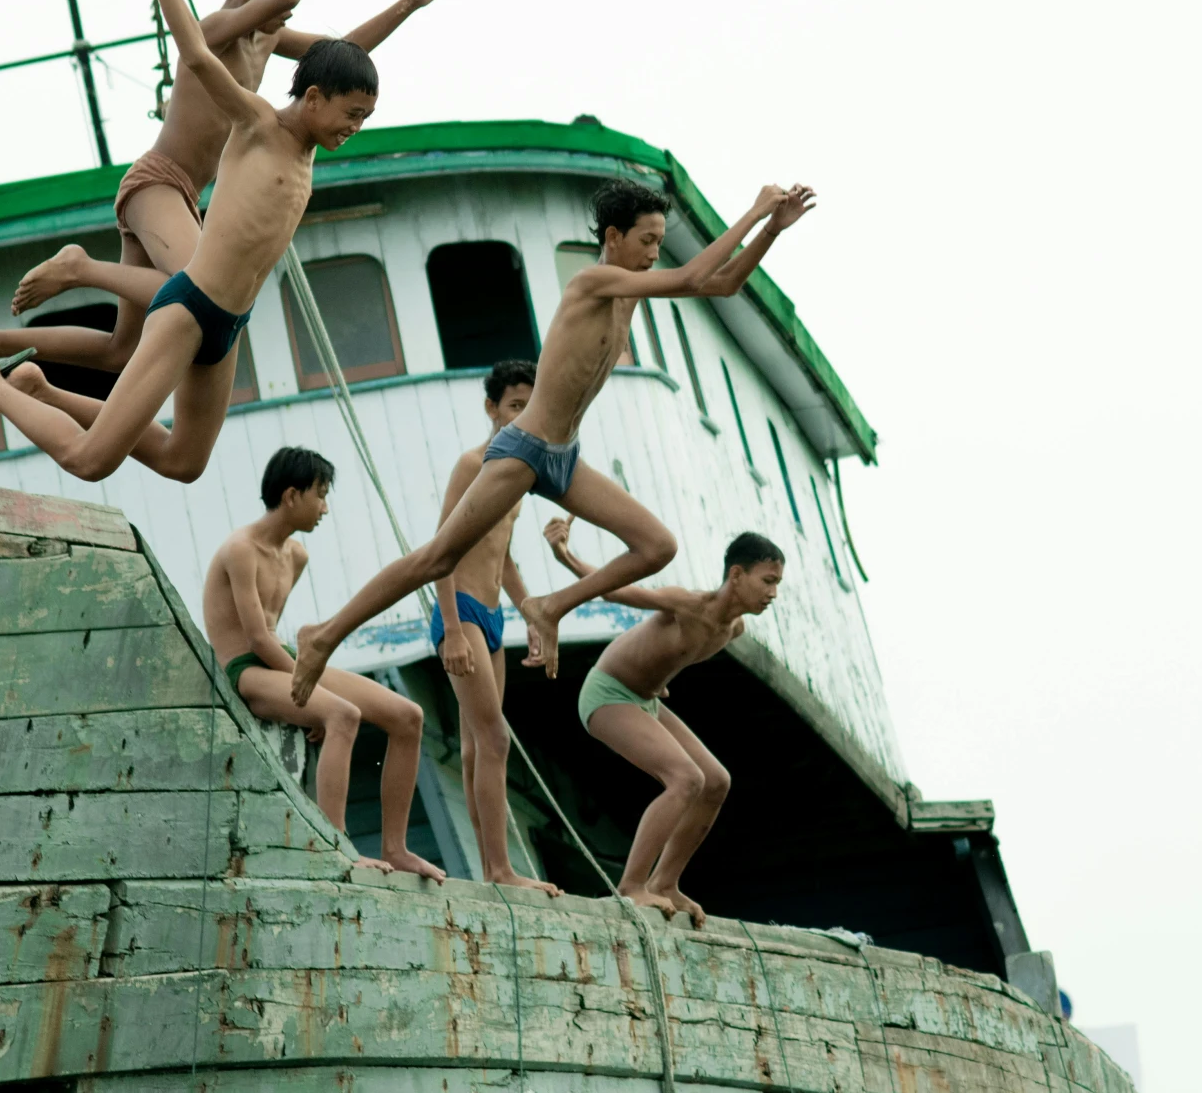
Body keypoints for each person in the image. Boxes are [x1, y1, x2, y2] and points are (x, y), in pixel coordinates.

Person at [0, 0, 379, 483]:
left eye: (364, 119)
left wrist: (411, 1)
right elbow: (200, 51)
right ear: (312, 98)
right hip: (180, 262)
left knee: (183, 459)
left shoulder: (290, 96)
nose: (354, 129)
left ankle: (33, 382)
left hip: (227, 323)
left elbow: (344, 54)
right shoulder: (258, 120)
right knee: (89, 459)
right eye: (351, 115)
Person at [287, 176, 817, 704]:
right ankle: (324, 634)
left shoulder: (630, 293)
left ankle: (551, 605)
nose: (655, 253)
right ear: (613, 237)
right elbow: (693, 275)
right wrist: (750, 212)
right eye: (647, 241)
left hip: (564, 457)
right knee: (437, 559)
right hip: (526, 450)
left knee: (658, 547)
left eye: (660, 242)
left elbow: (718, 285)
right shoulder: (593, 282)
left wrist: (772, 228)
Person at [0, 0, 463, 374]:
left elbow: (340, 55)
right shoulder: (214, 31)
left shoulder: (265, 39)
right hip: (157, 183)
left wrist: (410, 3)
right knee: (197, 287)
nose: (288, 7)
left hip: (181, 197)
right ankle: (79, 267)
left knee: (120, 351)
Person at [201, 446, 444, 881]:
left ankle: (396, 847)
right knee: (342, 713)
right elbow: (256, 638)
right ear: (292, 496)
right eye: (321, 494)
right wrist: (308, 689)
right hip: (246, 670)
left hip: (284, 662)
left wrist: (302, 686)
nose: (325, 508)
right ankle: (338, 845)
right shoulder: (240, 549)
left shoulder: (296, 556)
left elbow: (276, 632)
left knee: (408, 716)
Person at [543, 520, 787, 925]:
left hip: (644, 699)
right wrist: (564, 554)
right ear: (737, 574)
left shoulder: (734, 628)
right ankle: (632, 887)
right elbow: (615, 591)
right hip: (607, 694)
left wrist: (658, 680)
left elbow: (671, 654)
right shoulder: (689, 603)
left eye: (778, 583)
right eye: (768, 581)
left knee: (716, 781)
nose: (773, 593)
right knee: (686, 779)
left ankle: (664, 883)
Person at [432, 359, 560, 896]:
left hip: (493, 617)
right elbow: (441, 550)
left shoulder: (518, 476)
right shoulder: (472, 465)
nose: (522, 416)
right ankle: (501, 871)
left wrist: (530, 611)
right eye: (514, 406)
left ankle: (490, 870)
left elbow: (501, 556)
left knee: (473, 748)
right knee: (495, 739)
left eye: (530, 407)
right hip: (458, 611)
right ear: (492, 409)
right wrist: (455, 631)